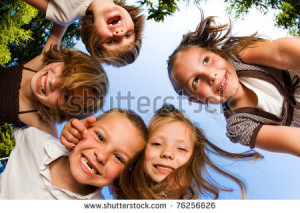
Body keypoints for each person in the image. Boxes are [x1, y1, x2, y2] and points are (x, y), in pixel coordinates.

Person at [167, 11, 300, 157]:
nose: (211, 75)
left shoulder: (238, 56)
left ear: (217, 54)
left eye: (206, 60)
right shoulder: (239, 126)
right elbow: (295, 142)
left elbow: (282, 52)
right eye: (196, 81)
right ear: (196, 99)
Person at [61, 105, 261, 199]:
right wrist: (75, 137)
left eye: (181, 148)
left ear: (195, 160)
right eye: (157, 144)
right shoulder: (124, 180)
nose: (167, 153)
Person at [0, 108, 147, 199]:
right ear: (84, 127)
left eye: (118, 157)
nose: (101, 156)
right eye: (100, 137)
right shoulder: (37, 140)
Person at [0, 23, 108, 138]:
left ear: (63, 111)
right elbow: (63, 18)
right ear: (64, 59)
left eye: (66, 96)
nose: (53, 82)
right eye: (66, 72)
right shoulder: (40, 63)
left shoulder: (41, 124)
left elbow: (57, 151)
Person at [24, 0, 145, 66]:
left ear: (93, 37)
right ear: (134, 21)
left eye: (110, 41)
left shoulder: (64, 15)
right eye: (128, 34)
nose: (120, 33)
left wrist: (50, 47)